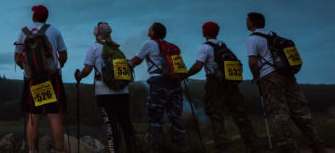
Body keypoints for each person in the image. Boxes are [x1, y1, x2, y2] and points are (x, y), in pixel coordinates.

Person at [246, 12, 326, 153]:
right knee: (300, 110)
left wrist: (255, 77)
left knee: (279, 112)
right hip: (287, 74)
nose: (246, 23)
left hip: (270, 77)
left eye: (247, 20)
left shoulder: (253, 39)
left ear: (252, 23)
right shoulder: (272, 35)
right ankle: (317, 144)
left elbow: (252, 62)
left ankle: (288, 147)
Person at [183, 21, 260, 152]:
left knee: (216, 116)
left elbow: (198, 65)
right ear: (217, 32)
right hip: (231, 85)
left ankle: (223, 147)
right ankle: (253, 146)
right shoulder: (224, 46)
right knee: (241, 116)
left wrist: (185, 74)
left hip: (215, 85)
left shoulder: (205, 47)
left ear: (204, 32)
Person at [74, 22, 136, 153]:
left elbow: (87, 69)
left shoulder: (94, 47)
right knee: (126, 124)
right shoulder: (117, 49)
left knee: (111, 126)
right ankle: (133, 148)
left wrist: (79, 76)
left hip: (104, 93)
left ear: (97, 35)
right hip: (123, 91)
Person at [14, 5, 68, 153]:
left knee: (33, 117)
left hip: (32, 80)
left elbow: (17, 56)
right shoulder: (55, 31)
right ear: (46, 17)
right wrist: (58, 66)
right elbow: (63, 55)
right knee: (55, 117)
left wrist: (27, 68)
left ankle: (32, 150)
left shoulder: (23, 31)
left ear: (33, 17)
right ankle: (58, 150)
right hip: (53, 78)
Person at [128, 22, 188, 153]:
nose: (148, 29)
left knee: (155, 117)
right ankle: (181, 147)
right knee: (176, 117)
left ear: (154, 32)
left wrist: (125, 65)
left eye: (150, 28)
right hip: (175, 83)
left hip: (158, 82)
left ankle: (154, 148)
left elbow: (136, 60)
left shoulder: (149, 44)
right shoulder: (170, 47)